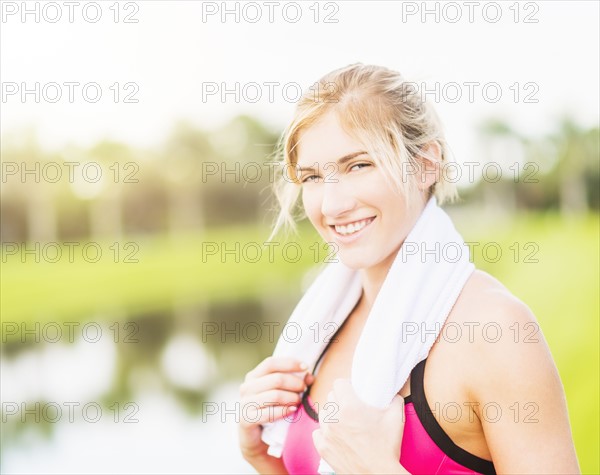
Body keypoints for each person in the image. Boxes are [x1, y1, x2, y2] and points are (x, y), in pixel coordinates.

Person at [238, 63, 580, 474]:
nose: (332, 206)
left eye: (358, 165)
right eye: (312, 177)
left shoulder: (497, 330)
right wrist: (260, 455)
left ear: (426, 165)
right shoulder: (318, 327)